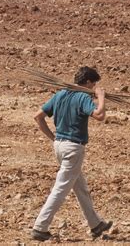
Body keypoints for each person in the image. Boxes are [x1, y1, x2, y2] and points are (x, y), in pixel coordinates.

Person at [31, 66, 113, 242]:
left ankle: (95, 224)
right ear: (89, 82)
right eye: (94, 85)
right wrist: (101, 97)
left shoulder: (61, 94)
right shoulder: (83, 96)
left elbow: (38, 116)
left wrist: (53, 138)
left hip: (60, 146)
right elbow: (100, 116)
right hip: (73, 148)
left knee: (80, 186)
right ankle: (40, 227)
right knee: (61, 188)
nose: (93, 88)